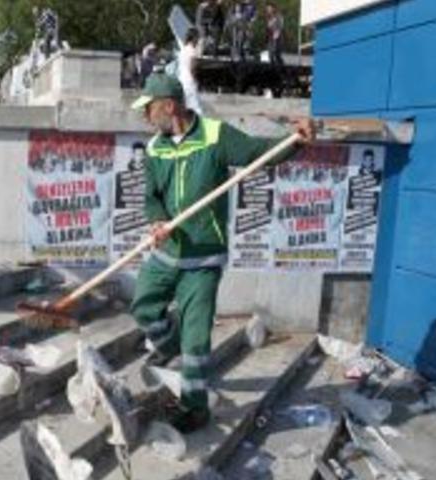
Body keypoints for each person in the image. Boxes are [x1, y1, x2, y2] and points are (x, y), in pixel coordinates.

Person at [130, 73, 315, 433]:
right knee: (144, 308)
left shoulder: (215, 136)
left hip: (203, 257)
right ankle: (170, 346)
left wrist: (296, 141)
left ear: (169, 106)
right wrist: (157, 220)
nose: (145, 116)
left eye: (149, 108)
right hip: (168, 251)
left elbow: (260, 154)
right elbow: (152, 196)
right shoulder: (155, 148)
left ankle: (194, 407)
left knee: (196, 337)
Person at [177, 29, 202, 114]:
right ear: (194, 38)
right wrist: (196, 80)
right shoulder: (192, 51)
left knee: (186, 105)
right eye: (198, 38)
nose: (198, 40)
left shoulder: (183, 50)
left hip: (182, 79)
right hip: (190, 81)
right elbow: (192, 68)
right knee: (196, 106)